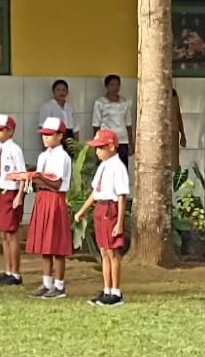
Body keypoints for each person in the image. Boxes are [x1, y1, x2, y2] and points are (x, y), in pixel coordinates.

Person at [74, 129, 129, 307]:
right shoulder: (103, 166)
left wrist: (119, 222)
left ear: (111, 147)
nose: (97, 152)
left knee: (112, 252)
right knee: (104, 251)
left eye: (100, 148)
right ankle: (106, 289)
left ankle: (116, 291)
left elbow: (121, 197)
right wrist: (82, 210)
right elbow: (95, 193)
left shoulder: (118, 167)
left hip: (110, 209)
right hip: (100, 208)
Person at [23, 117, 72, 299]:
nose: (45, 138)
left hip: (55, 199)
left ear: (60, 136)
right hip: (43, 198)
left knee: (57, 243)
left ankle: (59, 285)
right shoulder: (43, 156)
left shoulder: (62, 157)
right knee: (45, 243)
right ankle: (46, 282)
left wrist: (38, 177)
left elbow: (57, 183)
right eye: (43, 135)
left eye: (49, 135)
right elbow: (41, 181)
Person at [0, 114, 26, 286]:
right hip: (0, 194)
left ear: (10, 131)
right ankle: (8, 269)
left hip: (11, 193)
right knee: (3, 233)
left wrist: (19, 195)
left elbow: (22, 174)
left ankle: (16, 273)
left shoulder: (14, 150)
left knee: (11, 233)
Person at [92, 75, 135, 168]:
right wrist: (97, 144)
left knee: (122, 167)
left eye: (117, 85)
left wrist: (131, 142)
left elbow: (128, 124)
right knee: (106, 167)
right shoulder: (100, 102)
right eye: (112, 84)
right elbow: (96, 124)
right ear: (106, 86)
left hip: (122, 140)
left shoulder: (124, 102)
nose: (115, 87)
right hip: (106, 141)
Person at [171, 88, 187, 171]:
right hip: (160, 134)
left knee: (173, 164)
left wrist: (183, 134)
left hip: (173, 132)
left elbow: (178, 115)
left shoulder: (173, 94)